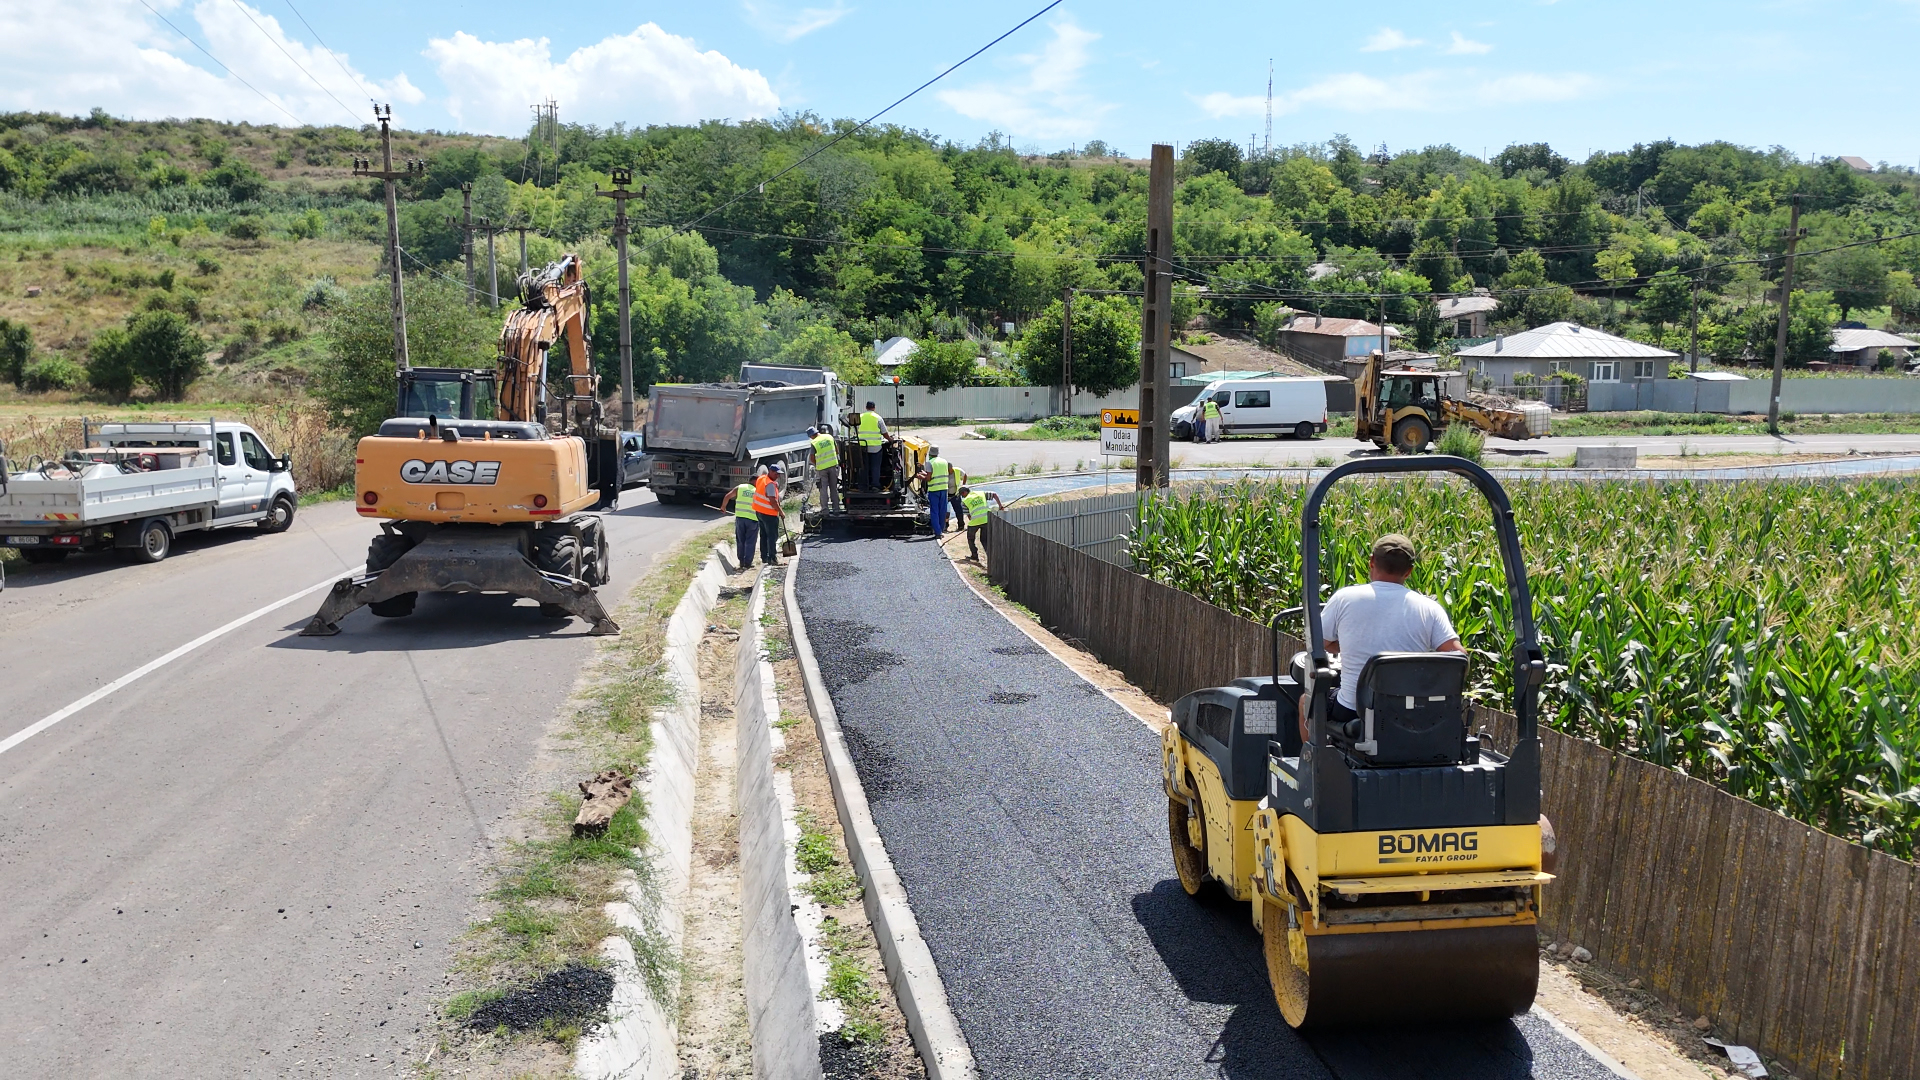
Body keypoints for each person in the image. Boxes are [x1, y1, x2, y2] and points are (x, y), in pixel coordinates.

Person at [1302, 533, 1462, 744]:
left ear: (1371, 562)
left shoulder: (1344, 599)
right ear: (1409, 571)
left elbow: (1318, 644)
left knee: (1306, 701)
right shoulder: (1429, 609)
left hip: (1353, 711)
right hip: (1411, 714)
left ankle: (1313, 768)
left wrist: (1348, 645)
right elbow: (1458, 657)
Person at [719, 476, 760, 569]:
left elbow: (727, 496)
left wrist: (723, 507)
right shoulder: (757, 491)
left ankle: (741, 562)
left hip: (740, 519)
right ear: (755, 482)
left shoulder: (740, 488)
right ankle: (748, 563)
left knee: (741, 541)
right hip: (753, 520)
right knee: (750, 542)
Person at [957, 484, 1004, 563]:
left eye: (962, 494)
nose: (962, 496)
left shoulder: (964, 501)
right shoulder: (981, 493)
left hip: (975, 522)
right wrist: (1000, 506)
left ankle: (974, 556)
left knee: (970, 538)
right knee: (984, 540)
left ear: (965, 492)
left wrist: (972, 525)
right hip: (986, 520)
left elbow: (969, 516)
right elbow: (994, 494)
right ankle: (991, 558)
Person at [754, 462, 784, 566]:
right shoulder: (770, 484)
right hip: (769, 514)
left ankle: (764, 557)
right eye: (776, 473)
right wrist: (781, 512)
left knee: (764, 535)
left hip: (759, 512)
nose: (778, 476)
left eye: (779, 474)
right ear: (770, 472)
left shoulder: (762, 478)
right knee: (772, 537)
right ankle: (772, 558)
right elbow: (773, 501)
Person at [922, 445, 955, 535]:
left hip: (934, 490)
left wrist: (921, 476)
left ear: (930, 453)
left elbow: (928, 478)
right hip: (944, 489)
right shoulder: (944, 462)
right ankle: (941, 529)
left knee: (934, 511)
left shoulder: (930, 463)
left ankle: (937, 532)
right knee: (942, 511)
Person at [808, 426, 842, 514]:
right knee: (833, 488)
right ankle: (836, 509)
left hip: (822, 469)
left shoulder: (814, 442)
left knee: (823, 489)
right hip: (833, 466)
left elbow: (812, 458)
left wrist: (817, 464)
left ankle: (825, 509)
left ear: (811, 436)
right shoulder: (829, 437)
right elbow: (837, 450)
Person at [857, 401, 889, 489]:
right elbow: (884, 432)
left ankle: (863, 486)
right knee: (875, 467)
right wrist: (890, 439)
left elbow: (856, 430)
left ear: (866, 407)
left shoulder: (860, 417)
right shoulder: (878, 418)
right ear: (874, 408)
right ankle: (875, 485)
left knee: (863, 467)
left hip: (863, 447)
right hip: (876, 448)